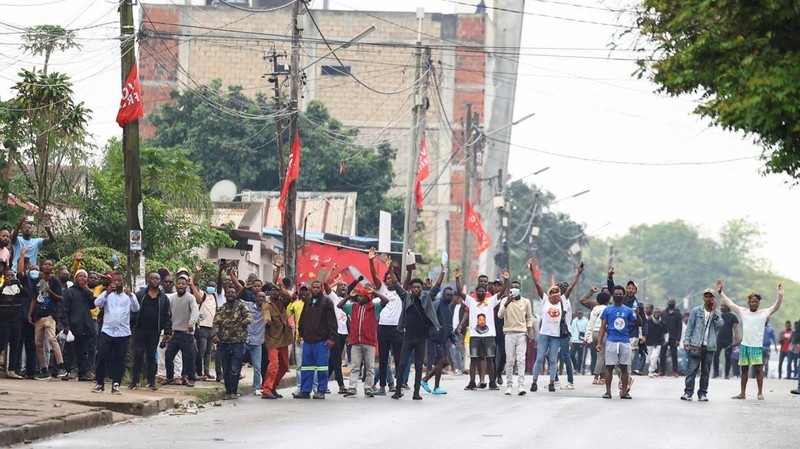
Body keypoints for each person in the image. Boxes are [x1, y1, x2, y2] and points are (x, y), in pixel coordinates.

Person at [384, 262, 443, 400]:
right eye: (414, 287)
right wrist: (390, 269)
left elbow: (437, 286)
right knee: (402, 363)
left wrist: (443, 271)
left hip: (421, 338)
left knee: (418, 366)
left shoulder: (426, 297)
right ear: (410, 288)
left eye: (419, 287)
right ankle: (398, 390)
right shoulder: (406, 297)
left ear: (421, 289)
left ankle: (416, 392)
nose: (416, 289)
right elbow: (396, 284)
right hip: (408, 337)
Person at [718, 280, 783, 400]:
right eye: (752, 301)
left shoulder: (764, 313)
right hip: (745, 346)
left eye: (756, 302)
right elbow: (730, 304)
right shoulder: (743, 311)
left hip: (757, 346)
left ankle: (760, 393)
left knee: (758, 370)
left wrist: (780, 295)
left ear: (759, 303)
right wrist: (721, 293)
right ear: (748, 302)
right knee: (744, 371)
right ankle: (742, 393)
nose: (754, 303)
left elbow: (776, 307)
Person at [528, 260, 580, 393]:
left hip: (556, 336)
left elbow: (571, 287)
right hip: (544, 334)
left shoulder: (562, 301)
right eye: (553, 291)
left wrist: (578, 273)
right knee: (539, 358)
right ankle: (534, 382)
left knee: (552, 360)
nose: (555, 294)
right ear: (549, 293)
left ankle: (552, 383)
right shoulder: (545, 300)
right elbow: (537, 284)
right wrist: (531, 271)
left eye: (558, 292)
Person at [455, 267, 509, 391]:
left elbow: (501, 292)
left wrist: (505, 280)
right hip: (475, 335)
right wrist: (457, 278)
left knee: (490, 359)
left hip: (489, 335)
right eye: (478, 291)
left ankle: (492, 382)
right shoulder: (471, 301)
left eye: (482, 291)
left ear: (486, 293)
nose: (480, 292)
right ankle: (472, 382)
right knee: (474, 359)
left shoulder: (491, 300)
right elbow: (459, 291)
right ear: (475, 292)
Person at [92, 273, 140, 394]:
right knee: (102, 356)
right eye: (115, 281)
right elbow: (97, 303)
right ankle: (99, 383)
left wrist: (132, 296)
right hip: (107, 331)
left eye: (120, 280)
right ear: (112, 282)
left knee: (120, 359)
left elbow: (136, 309)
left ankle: (116, 383)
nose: (117, 283)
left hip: (123, 333)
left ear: (123, 282)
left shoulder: (128, 296)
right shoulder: (107, 295)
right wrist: (106, 292)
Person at [368, 248, 404, 397]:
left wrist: (390, 268)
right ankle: (382, 386)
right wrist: (371, 260)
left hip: (397, 328)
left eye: (392, 278)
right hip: (383, 327)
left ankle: (398, 386)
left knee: (398, 358)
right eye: (387, 278)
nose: (389, 280)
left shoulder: (401, 291)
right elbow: (374, 275)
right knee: (383, 358)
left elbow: (407, 279)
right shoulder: (382, 289)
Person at [293, 280, 337, 400]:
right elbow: (302, 320)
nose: (315, 289)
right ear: (311, 289)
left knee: (322, 367)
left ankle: (321, 390)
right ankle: (305, 390)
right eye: (314, 287)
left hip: (322, 341)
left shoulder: (327, 302)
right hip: (307, 340)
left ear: (321, 289)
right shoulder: (307, 301)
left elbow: (332, 321)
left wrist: (332, 338)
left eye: (318, 287)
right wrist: (299, 335)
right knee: (306, 367)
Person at [130, 272, 172, 390]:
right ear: (149, 280)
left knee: (151, 356)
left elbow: (167, 315)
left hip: (155, 331)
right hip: (140, 330)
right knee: (138, 354)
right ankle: (135, 380)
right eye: (152, 278)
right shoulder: (140, 294)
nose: (154, 281)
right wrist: (131, 325)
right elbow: (133, 310)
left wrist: (168, 331)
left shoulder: (163, 298)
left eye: (157, 279)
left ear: (160, 282)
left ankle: (151, 381)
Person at [681, 289, 722, 401]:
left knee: (705, 371)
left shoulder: (717, 313)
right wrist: (686, 341)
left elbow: (720, 325)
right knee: (692, 370)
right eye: (706, 296)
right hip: (696, 344)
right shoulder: (696, 311)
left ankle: (702, 393)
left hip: (709, 346)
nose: (708, 299)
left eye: (710, 297)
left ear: (714, 299)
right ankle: (688, 393)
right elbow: (690, 327)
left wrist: (714, 312)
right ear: (703, 298)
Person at [211, 286, 251, 400]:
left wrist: (246, 321)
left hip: (237, 342)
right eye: (228, 292)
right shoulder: (221, 308)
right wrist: (214, 335)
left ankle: (233, 391)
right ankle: (228, 391)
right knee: (226, 368)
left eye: (232, 292)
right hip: (223, 342)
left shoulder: (241, 306)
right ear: (225, 295)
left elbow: (249, 316)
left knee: (235, 368)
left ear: (235, 294)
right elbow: (216, 323)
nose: (230, 294)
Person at [28, 258, 66, 379]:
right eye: (45, 264)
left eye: (50, 265)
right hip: (39, 315)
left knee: (52, 339)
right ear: (42, 266)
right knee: (38, 343)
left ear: (52, 268)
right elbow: (34, 297)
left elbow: (61, 298)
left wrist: (49, 291)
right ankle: (44, 369)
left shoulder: (55, 281)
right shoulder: (38, 281)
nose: (47, 266)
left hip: (50, 314)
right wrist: (30, 313)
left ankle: (61, 366)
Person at [338, 285, 379, 398]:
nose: (359, 298)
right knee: (355, 366)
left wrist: (374, 292)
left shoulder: (374, 307)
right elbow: (339, 305)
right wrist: (348, 296)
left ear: (367, 297)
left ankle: (368, 388)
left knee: (370, 367)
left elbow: (386, 301)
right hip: (355, 342)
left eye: (361, 296)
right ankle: (352, 388)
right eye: (358, 296)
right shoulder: (353, 307)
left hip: (369, 342)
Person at [607, 269, 647, 378]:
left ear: (635, 290)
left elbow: (643, 321)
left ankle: (625, 384)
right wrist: (610, 278)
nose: (630, 290)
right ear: (626, 290)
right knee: (617, 363)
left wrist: (644, 335)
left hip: (632, 336)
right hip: (617, 334)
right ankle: (624, 379)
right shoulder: (620, 301)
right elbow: (613, 290)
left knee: (627, 361)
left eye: (632, 288)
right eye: (629, 288)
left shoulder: (638, 305)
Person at [59, 270, 97, 382]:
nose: (82, 278)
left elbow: (93, 304)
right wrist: (66, 325)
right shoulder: (70, 292)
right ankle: (68, 371)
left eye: (84, 277)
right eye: (79, 276)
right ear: (75, 278)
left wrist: (87, 291)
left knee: (83, 351)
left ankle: (82, 373)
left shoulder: (87, 292)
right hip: (72, 326)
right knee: (70, 350)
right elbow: (64, 309)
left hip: (85, 326)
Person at [163, 276, 200, 387]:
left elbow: (195, 311)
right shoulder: (172, 299)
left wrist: (191, 323)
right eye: (179, 283)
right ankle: (169, 377)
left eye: (183, 284)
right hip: (175, 333)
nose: (180, 286)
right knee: (168, 355)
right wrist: (168, 330)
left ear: (186, 286)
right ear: (176, 285)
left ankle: (191, 378)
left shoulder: (190, 298)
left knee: (189, 357)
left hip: (187, 334)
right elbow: (168, 314)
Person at [498, 284, 534, 395]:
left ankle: (521, 386)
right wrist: (507, 302)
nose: (514, 289)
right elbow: (500, 315)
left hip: (521, 333)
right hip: (509, 333)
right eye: (512, 287)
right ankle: (509, 386)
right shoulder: (504, 300)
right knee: (509, 360)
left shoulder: (526, 302)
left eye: (516, 287)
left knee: (521, 359)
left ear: (520, 290)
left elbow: (529, 317)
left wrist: (529, 331)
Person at [261, 282, 293, 399]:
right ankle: (266, 390)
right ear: (269, 293)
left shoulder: (282, 303)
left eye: (276, 290)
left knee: (284, 366)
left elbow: (288, 297)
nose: (275, 292)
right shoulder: (267, 305)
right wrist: (268, 322)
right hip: (272, 339)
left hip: (284, 338)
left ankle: (273, 387)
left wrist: (280, 288)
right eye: (272, 290)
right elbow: (266, 316)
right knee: (273, 365)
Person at [0, 268, 25, 378]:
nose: (10, 277)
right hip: (4, 320)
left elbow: (26, 294)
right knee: (2, 343)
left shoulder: (17, 288)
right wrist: (3, 286)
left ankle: (12, 370)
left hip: (16, 320)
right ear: (4, 276)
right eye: (8, 275)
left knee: (15, 344)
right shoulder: (2, 287)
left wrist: (20, 286)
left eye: (12, 275)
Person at [584, 289, 610, 384]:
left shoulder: (595, 309)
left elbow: (590, 323)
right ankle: (596, 377)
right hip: (602, 333)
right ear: (608, 301)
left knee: (600, 355)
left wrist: (587, 336)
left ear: (598, 301)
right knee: (602, 356)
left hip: (594, 332)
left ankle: (602, 377)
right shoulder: (608, 309)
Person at [712, 304, 740, 379]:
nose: (721, 308)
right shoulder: (719, 316)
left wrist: (736, 339)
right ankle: (715, 373)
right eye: (721, 306)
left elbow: (735, 328)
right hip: (719, 339)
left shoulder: (733, 317)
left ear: (728, 307)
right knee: (716, 355)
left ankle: (727, 374)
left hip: (728, 340)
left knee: (728, 357)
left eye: (723, 306)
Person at [661, 298, 683, 376]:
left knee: (674, 354)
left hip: (673, 337)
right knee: (662, 354)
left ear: (675, 303)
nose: (671, 303)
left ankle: (675, 371)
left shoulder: (678, 314)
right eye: (669, 302)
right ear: (667, 303)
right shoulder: (663, 313)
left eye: (672, 302)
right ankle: (662, 371)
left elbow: (680, 327)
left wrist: (678, 339)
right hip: (664, 337)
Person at [646, 308, 668, 377]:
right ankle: (655, 369)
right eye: (655, 312)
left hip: (658, 342)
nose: (656, 314)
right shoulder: (648, 321)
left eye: (658, 312)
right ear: (653, 313)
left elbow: (666, 332)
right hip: (649, 342)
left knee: (654, 356)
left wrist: (666, 340)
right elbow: (644, 330)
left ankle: (651, 371)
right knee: (649, 358)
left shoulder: (662, 323)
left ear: (660, 313)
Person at [569, 309, 588, 375]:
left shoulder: (586, 321)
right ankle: (575, 367)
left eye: (581, 313)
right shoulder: (574, 321)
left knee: (580, 357)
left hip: (581, 341)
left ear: (582, 314)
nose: (579, 314)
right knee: (571, 354)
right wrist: (570, 340)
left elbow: (587, 331)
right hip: (574, 340)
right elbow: (572, 330)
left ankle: (579, 370)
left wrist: (585, 340)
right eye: (578, 313)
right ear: (577, 314)